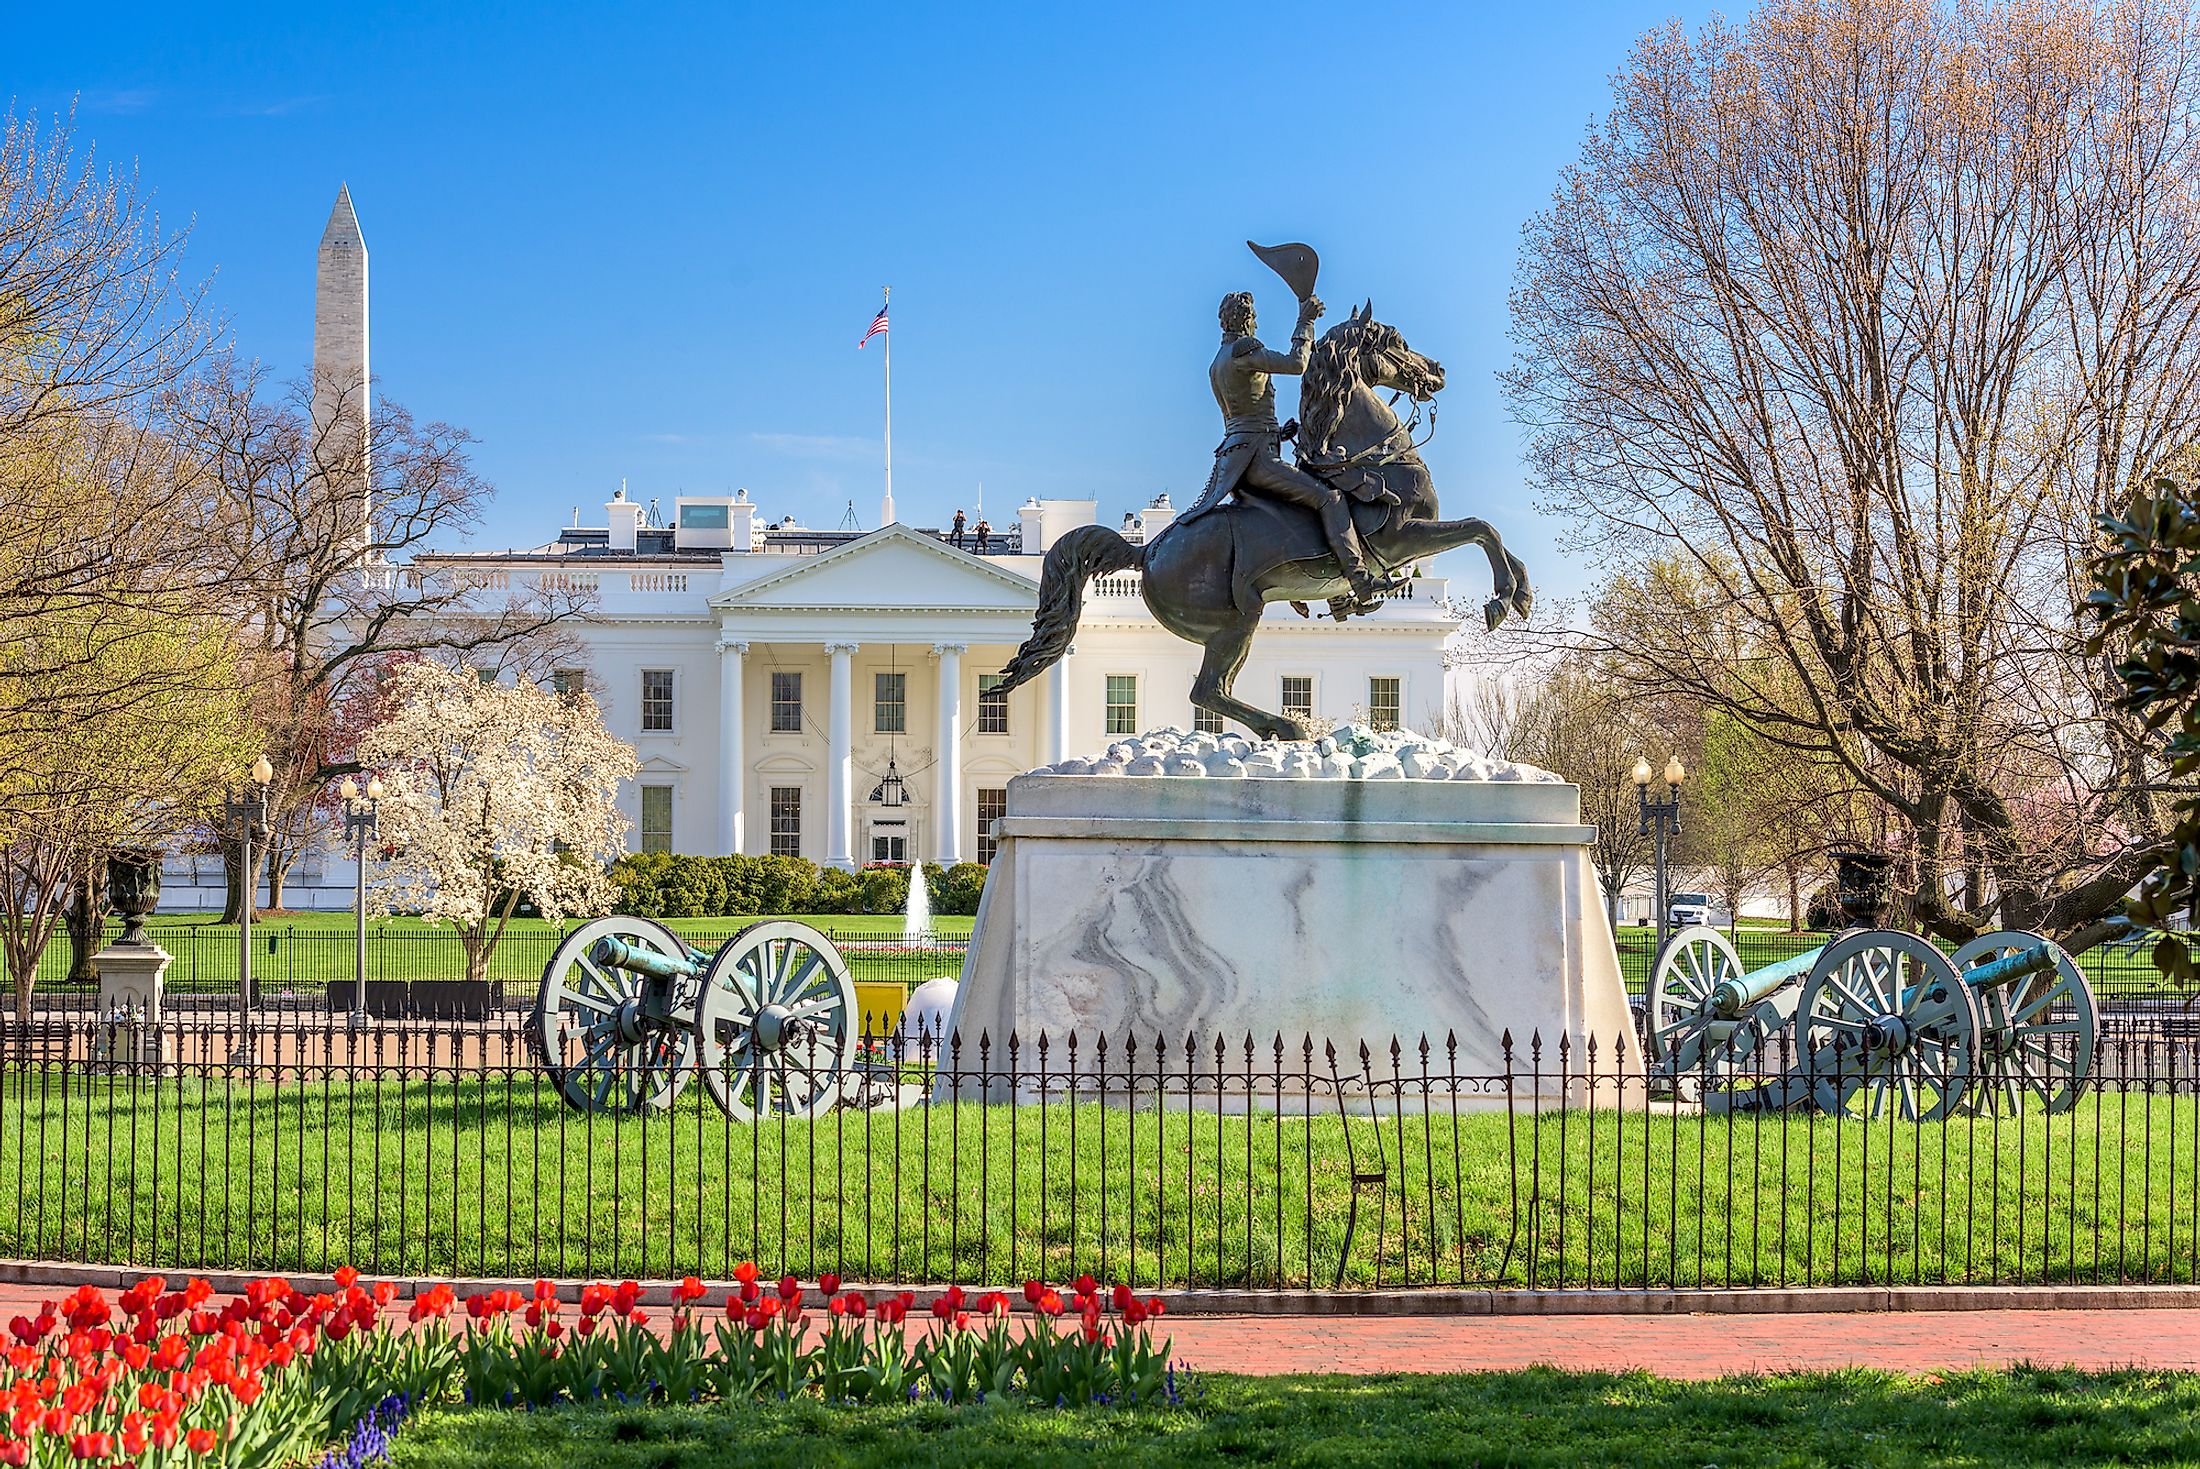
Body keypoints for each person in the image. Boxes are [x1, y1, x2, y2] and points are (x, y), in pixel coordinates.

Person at [1177, 290, 1394, 604]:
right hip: (1257, 459)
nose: (1256, 322)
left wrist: (1279, 432)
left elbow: (1242, 416)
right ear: (1247, 320)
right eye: (1254, 318)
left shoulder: (1218, 361)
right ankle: (1359, 581)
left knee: (1302, 503)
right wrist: (1304, 322)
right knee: (1329, 498)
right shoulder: (1243, 349)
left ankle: (1326, 587)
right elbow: (1297, 363)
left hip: (1237, 455)